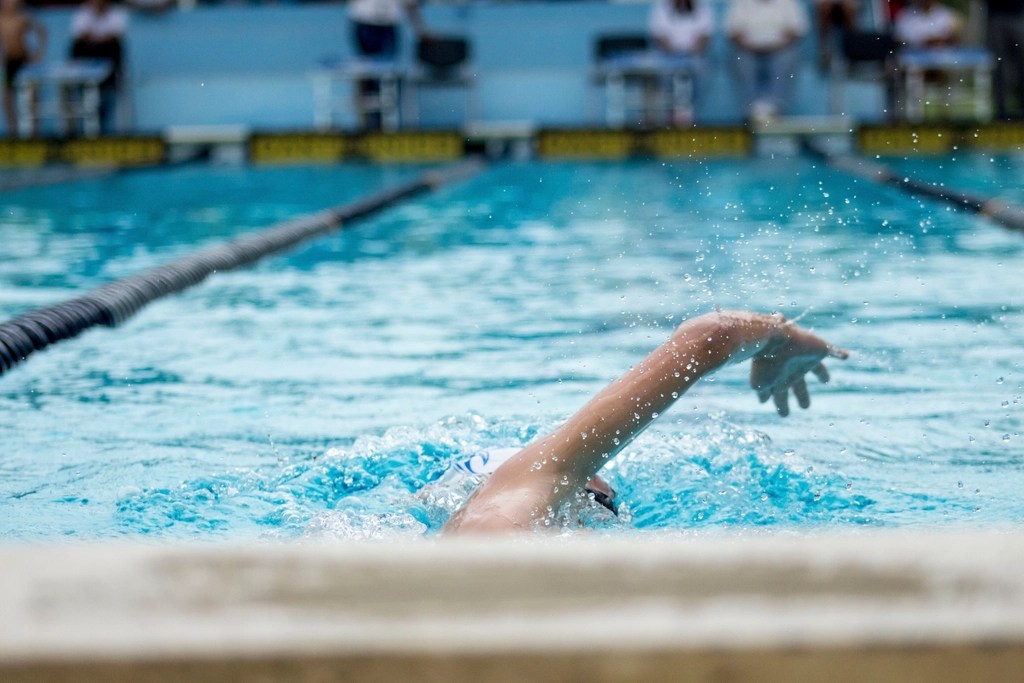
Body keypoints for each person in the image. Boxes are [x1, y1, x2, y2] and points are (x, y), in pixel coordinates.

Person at [444, 310, 848, 534]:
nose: (606, 495)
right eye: (595, 494)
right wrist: (783, 336)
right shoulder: (511, 507)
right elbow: (709, 334)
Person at [347, 0, 432, 130]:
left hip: (389, 25)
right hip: (365, 23)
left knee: (389, 75)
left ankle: (387, 123)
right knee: (366, 75)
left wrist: (420, 29)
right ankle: (365, 123)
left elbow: (410, 5)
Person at [725, 0, 810, 122]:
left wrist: (775, 46)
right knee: (739, 57)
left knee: (789, 56)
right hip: (748, 49)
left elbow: (797, 31)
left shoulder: (789, 3)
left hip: (780, 49)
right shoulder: (741, 3)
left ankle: (775, 107)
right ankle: (751, 108)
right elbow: (733, 33)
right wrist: (752, 47)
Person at [648, 0, 715, 125]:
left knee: (700, 69)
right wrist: (674, 54)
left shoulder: (702, 5)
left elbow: (705, 36)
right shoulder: (661, 5)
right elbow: (659, 36)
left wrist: (690, 52)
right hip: (668, 56)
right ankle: (672, 113)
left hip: (694, 55)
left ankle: (688, 113)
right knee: (663, 71)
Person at [67, 0, 128, 134]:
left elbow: (115, 36)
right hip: (86, 60)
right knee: (79, 48)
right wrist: (98, 39)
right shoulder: (83, 14)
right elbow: (80, 36)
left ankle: (102, 122)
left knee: (113, 48)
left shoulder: (117, 14)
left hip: (109, 63)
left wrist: (95, 39)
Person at [0, 0, 46, 138]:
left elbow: (42, 32)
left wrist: (38, 53)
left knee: (32, 96)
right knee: (7, 98)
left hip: (24, 61)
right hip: (10, 62)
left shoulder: (23, 18)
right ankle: (13, 131)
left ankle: (34, 132)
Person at [984, 0, 1024, 119]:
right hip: (996, 16)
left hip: (1017, 14)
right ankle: (1001, 110)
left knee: (1022, 64)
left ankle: (1021, 105)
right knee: (999, 66)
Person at [892, 0, 962, 48]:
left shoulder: (948, 15)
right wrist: (922, 43)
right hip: (913, 63)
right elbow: (898, 40)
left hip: (944, 61)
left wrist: (942, 41)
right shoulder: (905, 16)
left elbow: (956, 39)